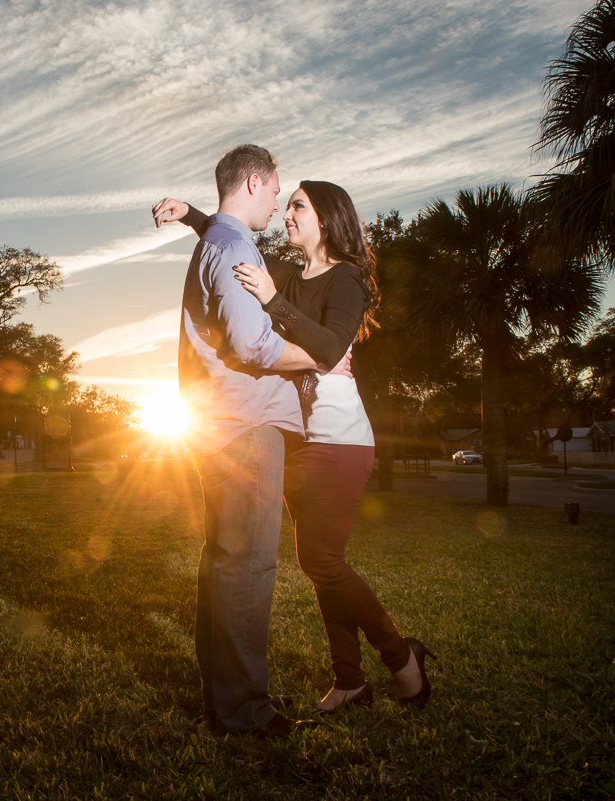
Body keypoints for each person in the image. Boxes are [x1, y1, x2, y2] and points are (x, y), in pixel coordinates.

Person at [154, 180, 436, 714]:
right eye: (285, 204)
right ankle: (349, 679)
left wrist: (274, 302)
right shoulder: (282, 270)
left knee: (323, 561)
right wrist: (191, 214)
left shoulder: (345, 279)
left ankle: (402, 659)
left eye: (298, 205)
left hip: (338, 436)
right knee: (320, 562)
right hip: (296, 436)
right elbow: (230, 236)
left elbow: (329, 350)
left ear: (328, 218)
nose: (286, 213)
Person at [170, 145, 351, 738]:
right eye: (276, 190)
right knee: (247, 567)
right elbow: (252, 345)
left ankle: (226, 703)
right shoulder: (233, 247)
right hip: (245, 425)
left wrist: (193, 213)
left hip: (221, 421)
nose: (278, 202)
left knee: (225, 564)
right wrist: (316, 358)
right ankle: (244, 713)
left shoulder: (217, 242)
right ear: (254, 181)